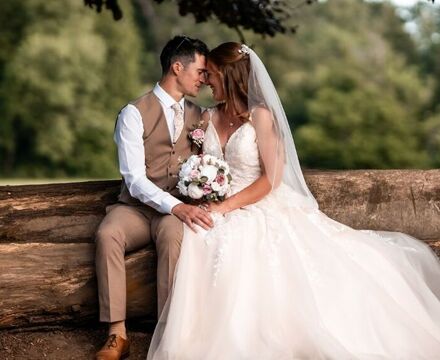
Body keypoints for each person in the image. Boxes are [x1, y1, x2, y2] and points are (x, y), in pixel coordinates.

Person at [146, 42, 440, 359]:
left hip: (257, 203)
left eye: (213, 74)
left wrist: (225, 206)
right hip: (214, 203)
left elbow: (270, 180)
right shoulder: (206, 117)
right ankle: (190, 333)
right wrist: (198, 186)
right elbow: (193, 161)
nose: (207, 81)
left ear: (229, 75)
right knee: (198, 235)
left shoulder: (261, 117)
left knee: (240, 243)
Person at [94, 35, 214, 360]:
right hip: (135, 208)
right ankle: (117, 333)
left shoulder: (200, 115)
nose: (204, 79)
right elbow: (133, 180)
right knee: (107, 234)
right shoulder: (133, 113)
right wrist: (177, 206)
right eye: (200, 72)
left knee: (175, 239)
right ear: (177, 67)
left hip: (173, 214)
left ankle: (169, 332)